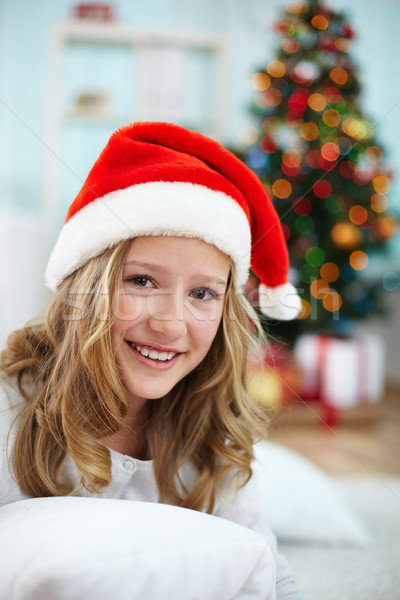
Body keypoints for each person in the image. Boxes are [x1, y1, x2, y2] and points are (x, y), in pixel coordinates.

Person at [0, 122, 302, 598]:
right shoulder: (9, 414)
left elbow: (266, 573)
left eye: (202, 293)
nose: (170, 324)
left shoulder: (209, 433)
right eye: (141, 281)